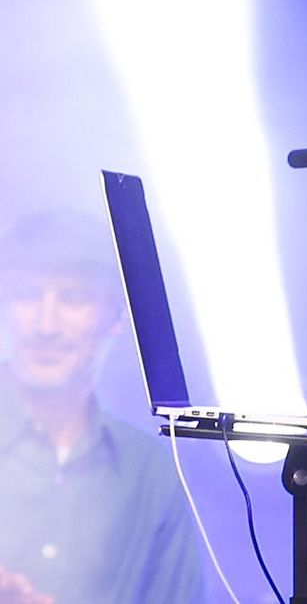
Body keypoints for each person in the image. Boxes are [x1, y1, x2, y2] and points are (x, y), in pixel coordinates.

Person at [0, 210, 204, 604]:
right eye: (26, 295)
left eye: (73, 299)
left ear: (115, 317)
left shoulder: (149, 470)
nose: (46, 324)